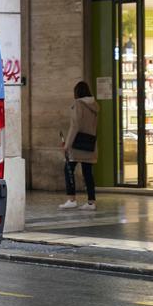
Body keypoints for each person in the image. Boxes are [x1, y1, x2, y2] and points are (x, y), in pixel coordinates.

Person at [59, 81, 99, 210]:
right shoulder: (95, 105)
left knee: (68, 169)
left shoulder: (78, 104)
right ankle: (91, 202)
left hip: (77, 143)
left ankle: (71, 199)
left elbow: (75, 125)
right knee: (88, 173)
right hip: (90, 142)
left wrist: (67, 145)